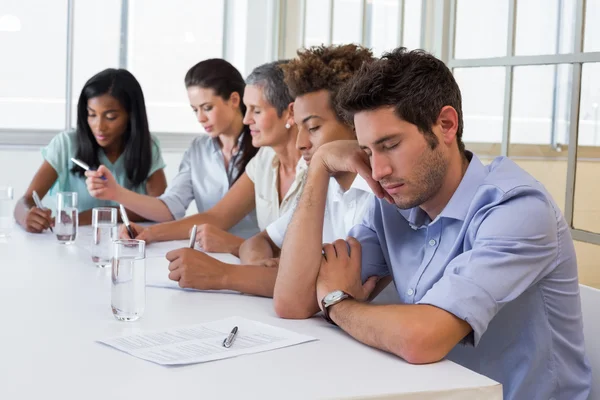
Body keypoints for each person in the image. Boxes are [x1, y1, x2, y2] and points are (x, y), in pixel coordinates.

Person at [291, 48, 591, 399]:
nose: (378, 171)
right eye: (368, 152)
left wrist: (337, 302)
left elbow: (421, 341)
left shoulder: (516, 208)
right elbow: (294, 304)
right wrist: (320, 167)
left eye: (390, 145)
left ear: (446, 125)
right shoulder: (393, 204)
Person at [164, 44, 388, 297]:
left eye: (313, 128)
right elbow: (260, 242)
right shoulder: (328, 186)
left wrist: (221, 274)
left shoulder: (379, 198)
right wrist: (263, 267)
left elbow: (304, 291)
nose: (301, 142)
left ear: (357, 125)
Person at [123, 61, 306, 257]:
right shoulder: (264, 159)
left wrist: (235, 245)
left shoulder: (315, 167)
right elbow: (217, 216)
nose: (246, 119)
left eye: (256, 110)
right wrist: (149, 233)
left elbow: (304, 259)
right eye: (195, 110)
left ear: (290, 113)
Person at [87, 59, 260, 242]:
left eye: (207, 108)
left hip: (253, 255)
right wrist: (115, 192)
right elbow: (170, 208)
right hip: (211, 253)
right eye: (195, 110)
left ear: (234, 100)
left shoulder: (263, 150)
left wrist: (153, 233)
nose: (200, 118)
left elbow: (218, 218)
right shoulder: (198, 150)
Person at [14, 68, 167, 231]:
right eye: (92, 114)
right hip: (74, 243)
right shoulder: (66, 144)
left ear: (131, 115)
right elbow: (25, 201)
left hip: (128, 244)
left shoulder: (147, 146)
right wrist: (26, 216)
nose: (99, 127)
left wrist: (90, 215)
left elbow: (163, 208)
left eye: (110, 117)